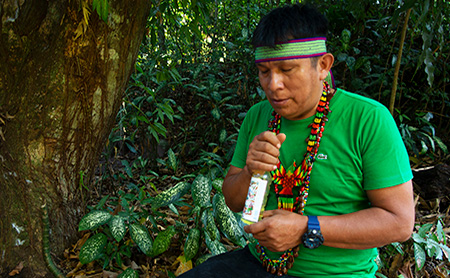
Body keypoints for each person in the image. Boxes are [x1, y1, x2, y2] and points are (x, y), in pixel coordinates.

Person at [178, 3, 414, 277]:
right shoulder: (258, 116)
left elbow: (399, 223)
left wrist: (306, 228)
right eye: (264, 71)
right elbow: (234, 201)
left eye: (287, 69)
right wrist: (249, 172)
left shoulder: (367, 119)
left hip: (336, 273)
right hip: (259, 263)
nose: (272, 84)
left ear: (323, 65)